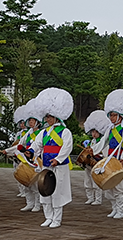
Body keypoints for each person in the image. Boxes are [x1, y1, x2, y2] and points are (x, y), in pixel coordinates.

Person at [29, 88, 74, 228]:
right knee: (45, 190)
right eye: (46, 116)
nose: (47, 119)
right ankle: (48, 217)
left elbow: (67, 147)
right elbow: (37, 144)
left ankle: (57, 219)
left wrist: (58, 159)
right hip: (46, 165)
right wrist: (30, 151)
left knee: (57, 192)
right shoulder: (44, 132)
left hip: (58, 166)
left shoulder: (65, 132)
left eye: (49, 116)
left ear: (56, 117)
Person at [101, 89, 123, 219]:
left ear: (120, 116)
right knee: (109, 186)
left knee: (118, 188)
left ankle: (120, 211)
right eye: (110, 115)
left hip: (120, 161)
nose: (112, 118)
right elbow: (103, 143)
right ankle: (114, 208)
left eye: (114, 115)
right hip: (110, 160)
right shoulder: (109, 129)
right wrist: (93, 150)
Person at [81, 109, 108, 206]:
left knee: (96, 182)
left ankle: (98, 199)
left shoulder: (103, 142)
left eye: (95, 132)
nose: (93, 134)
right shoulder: (92, 141)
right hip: (89, 164)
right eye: (92, 131)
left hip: (97, 164)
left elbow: (104, 154)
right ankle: (90, 198)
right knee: (87, 181)